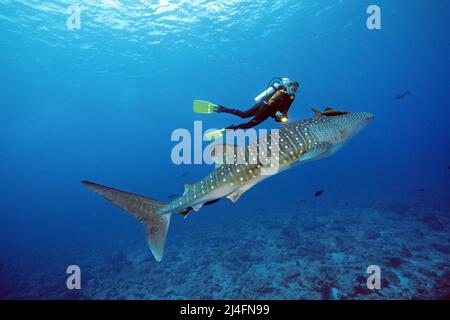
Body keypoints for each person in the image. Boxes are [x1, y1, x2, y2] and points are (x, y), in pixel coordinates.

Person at [217, 78, 299, 130]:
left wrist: (283, 117)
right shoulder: (281, 91)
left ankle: (222, 109)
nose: (293, 91)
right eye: (293, 89)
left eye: (296, 90)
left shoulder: (291, 97)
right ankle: (231, 127)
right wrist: (278, 114)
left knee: (243, 115)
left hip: (264, 106)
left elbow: (286, 109)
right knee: (248, 123)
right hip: (265, 109)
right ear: (288, 86)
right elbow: (272, 102)